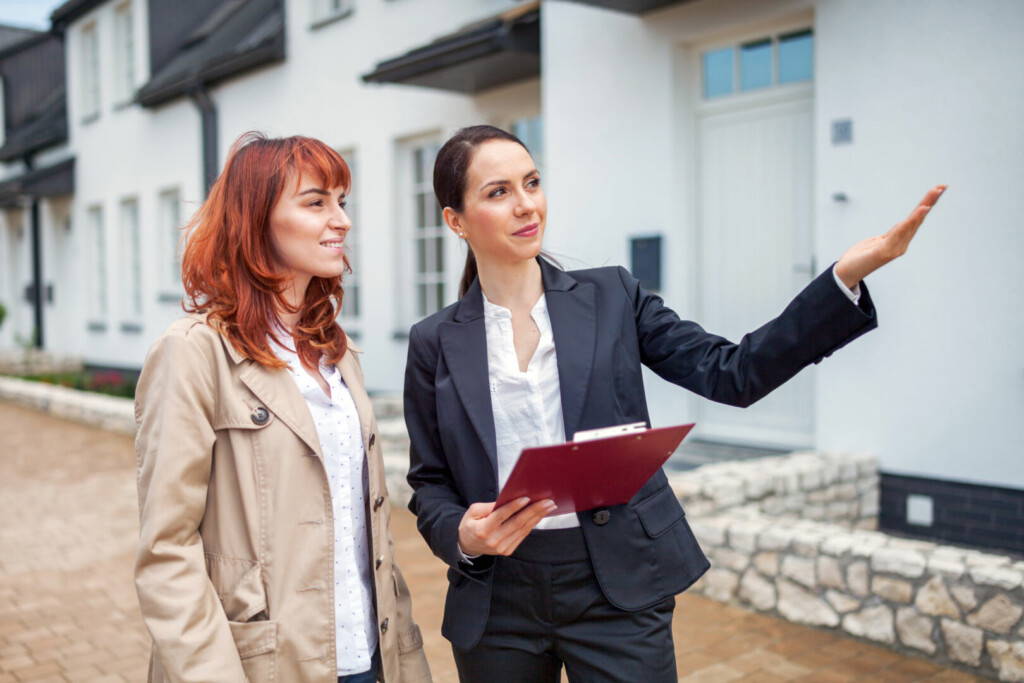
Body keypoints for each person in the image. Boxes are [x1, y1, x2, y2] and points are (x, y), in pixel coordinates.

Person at [403, 124, 945, 682]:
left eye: (532, 183)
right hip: (498, 600)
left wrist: (841, 281)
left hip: (617, 584)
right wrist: (463, 536)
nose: (526, 205)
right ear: (456, 220)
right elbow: (430, 482)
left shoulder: (612, 296)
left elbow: (732, 373)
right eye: (499, 192)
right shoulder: (434, 341)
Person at [134, 132, 432, 683]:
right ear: (255, 221)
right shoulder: (193, 352)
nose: (340, 219)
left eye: (342, 201)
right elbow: (166, 550)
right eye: (316, 202)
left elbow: (367, 531)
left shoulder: (336, 355)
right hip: (262, 664)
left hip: (371, 655)